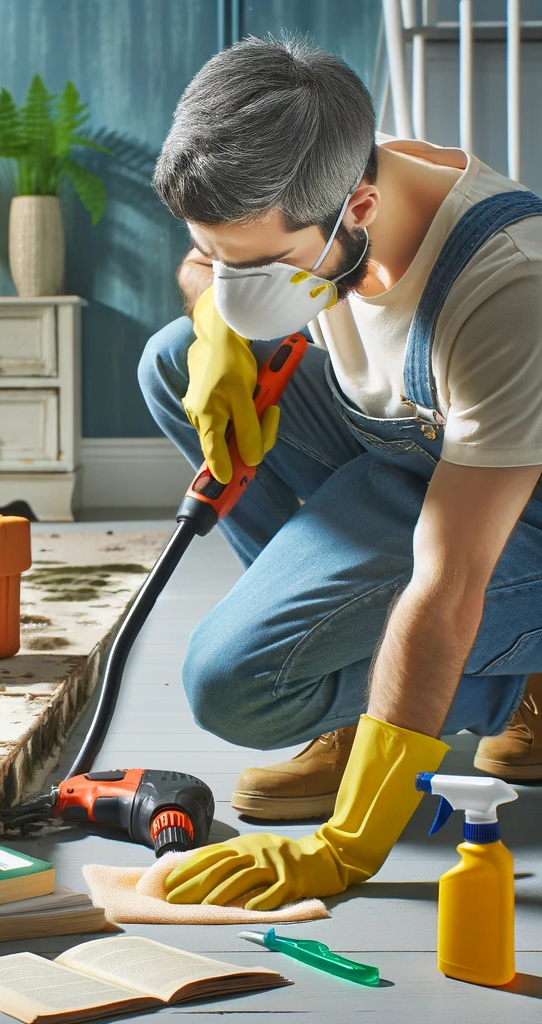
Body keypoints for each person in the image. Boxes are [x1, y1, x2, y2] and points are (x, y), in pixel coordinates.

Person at [139, 35, 542, 910]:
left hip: (513, 518)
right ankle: (346, 693)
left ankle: (523, 675)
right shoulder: (314, 166)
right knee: (171, 359)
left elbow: (449, 577)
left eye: (267, 266)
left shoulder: (507, 288)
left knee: (234, 688)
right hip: (411, 454)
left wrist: (349, 845)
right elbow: (210, 263)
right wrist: (213, 319)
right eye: (219, 252)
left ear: (359, 205)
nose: (236, 285)